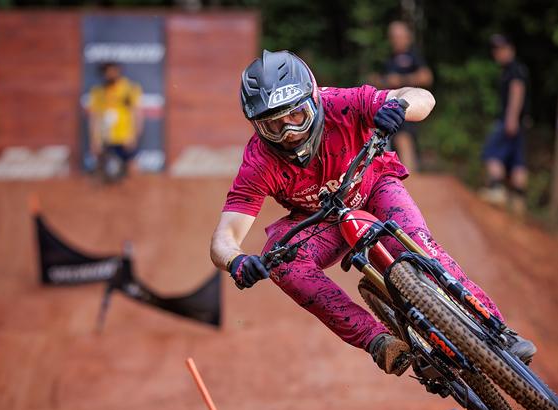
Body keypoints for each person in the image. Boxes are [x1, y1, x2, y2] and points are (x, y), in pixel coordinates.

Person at [210, 50, 536, 376]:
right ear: (256, 126)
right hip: (324, 221)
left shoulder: (344, 103)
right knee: (281, 260)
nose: (288, 133)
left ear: (314, 99)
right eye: (272, 125)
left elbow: (422, 96)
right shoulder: (259, 161)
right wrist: (236, 261)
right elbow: (224, 238)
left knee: (417, 244)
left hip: (375, 186)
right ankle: (378, 340)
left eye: (295, 116)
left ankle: (496, 328)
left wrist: (400, 106)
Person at [370, 21, 433, 171]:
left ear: (407, 37)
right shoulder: (389, 59)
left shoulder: (413, 56)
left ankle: (411, 179)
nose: (396, 40)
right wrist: (380, 81)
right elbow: (381, 79)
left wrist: (402, 80)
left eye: (399, 36)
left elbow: (427, 77)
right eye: (393, 36)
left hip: (408, 105)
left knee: (404, 138)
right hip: (389, 104)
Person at [479, 34, 529, 216]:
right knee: (517, 162)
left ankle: (497, 190)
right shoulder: (516, 69)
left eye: (501, 49)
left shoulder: (513, 70)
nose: (497, 54)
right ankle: (519, 203)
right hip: (521, 123)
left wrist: (511, 118)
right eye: (495, 50)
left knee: (491, 153)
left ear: (510, 49)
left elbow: (517, 90)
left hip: (508, 120)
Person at [86, 62, 144, 178]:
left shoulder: (130, 89)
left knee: (132, 169)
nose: (110, 75)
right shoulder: (97, 92)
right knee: (103, 172)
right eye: (107, 72)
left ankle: (135, 194)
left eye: (113, 71)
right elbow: (94, 117)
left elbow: (137, 114)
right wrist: (94, 139)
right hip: (105, 137)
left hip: (124, 136)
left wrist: (133, 135)